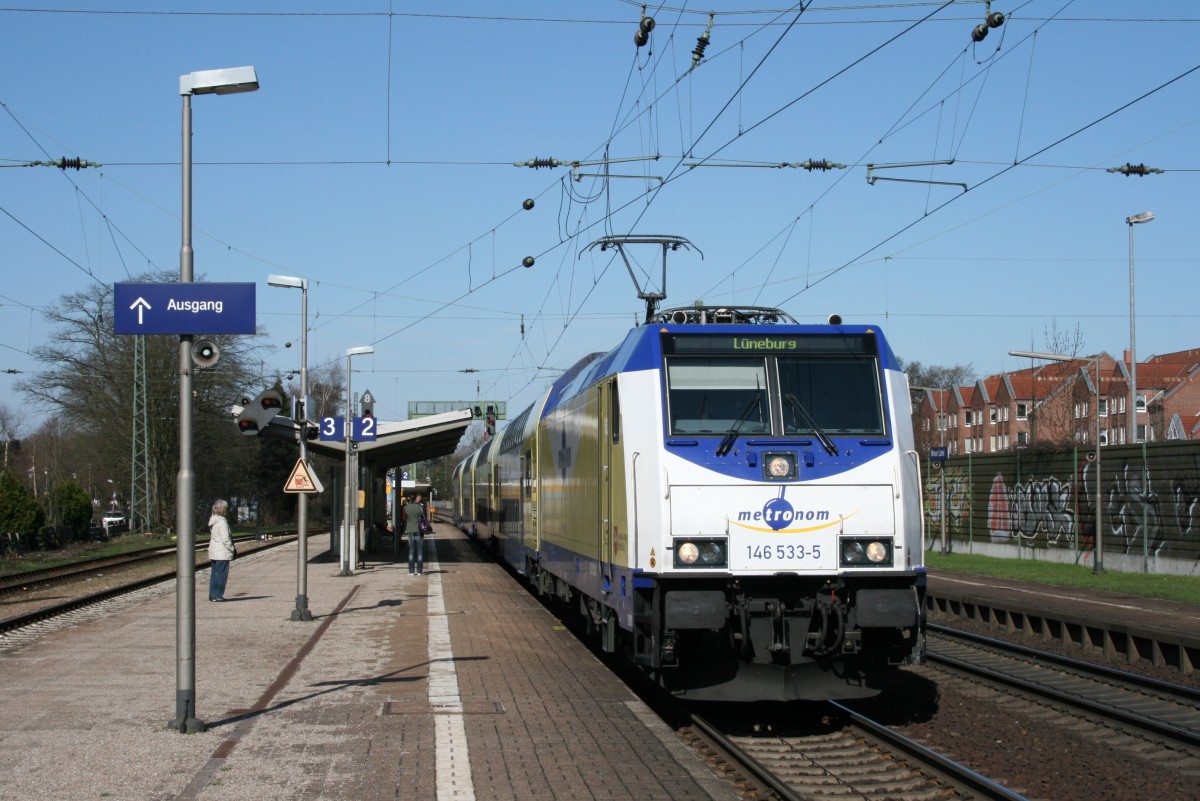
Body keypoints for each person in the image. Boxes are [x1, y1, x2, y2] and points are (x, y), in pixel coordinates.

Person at [207, 499, 235, 602]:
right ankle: (218, 595)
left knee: (214, 574)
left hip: (214, 551)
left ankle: (212, 594)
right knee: (221, 575)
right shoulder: (222, 522)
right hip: (222, 552)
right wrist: (231, 549)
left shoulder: (213, 520)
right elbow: (226, 539)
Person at [403, 494, 427, 576]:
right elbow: (423, 517)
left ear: (410, 500)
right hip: (419, 530)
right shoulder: (420, 507)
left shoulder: (406, 507)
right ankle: (419, 571)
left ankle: (411, 571)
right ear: (416, 499)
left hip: (410, 530)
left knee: (411, 551)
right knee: (419, 551)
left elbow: (404, 518)